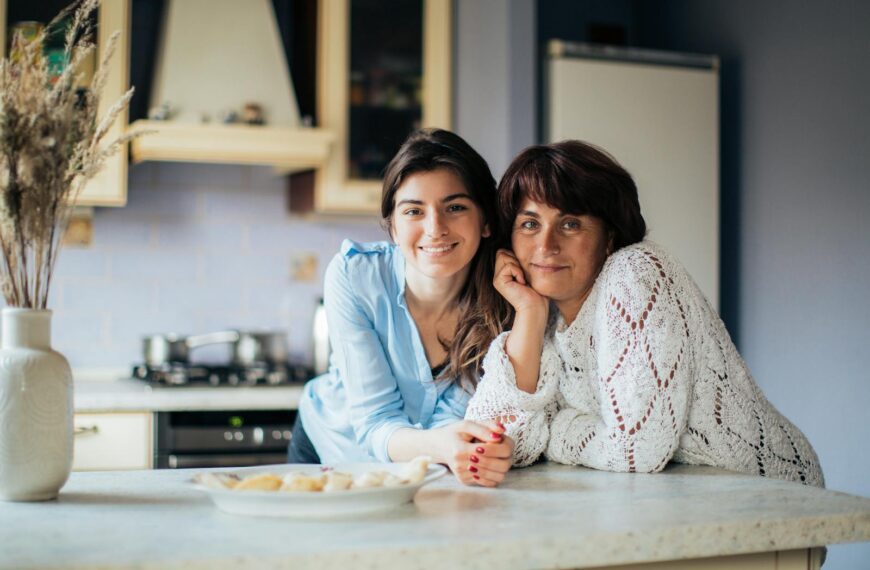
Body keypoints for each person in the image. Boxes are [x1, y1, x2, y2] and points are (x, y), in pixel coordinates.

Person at [466, 140, 824, 486]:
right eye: (530, 224)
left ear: (609, 237)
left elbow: (637, 451)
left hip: (769, 489)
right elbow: (490, 441)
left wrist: (556, 429)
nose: (546, 245)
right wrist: (528, 313)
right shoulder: (547, 317)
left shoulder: (635, 272)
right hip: (686, 500)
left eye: (571, 223)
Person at [291, 129, 514, 487]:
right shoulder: (355, 276)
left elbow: (457, 423)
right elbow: (375, 420)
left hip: (429, 468)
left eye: (455, 207)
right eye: (414, 211)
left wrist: (454, 445)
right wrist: (443, 445)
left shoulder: (505, 299)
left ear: (485, 220)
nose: (434, 228)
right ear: (392, 226)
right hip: (332, 450)